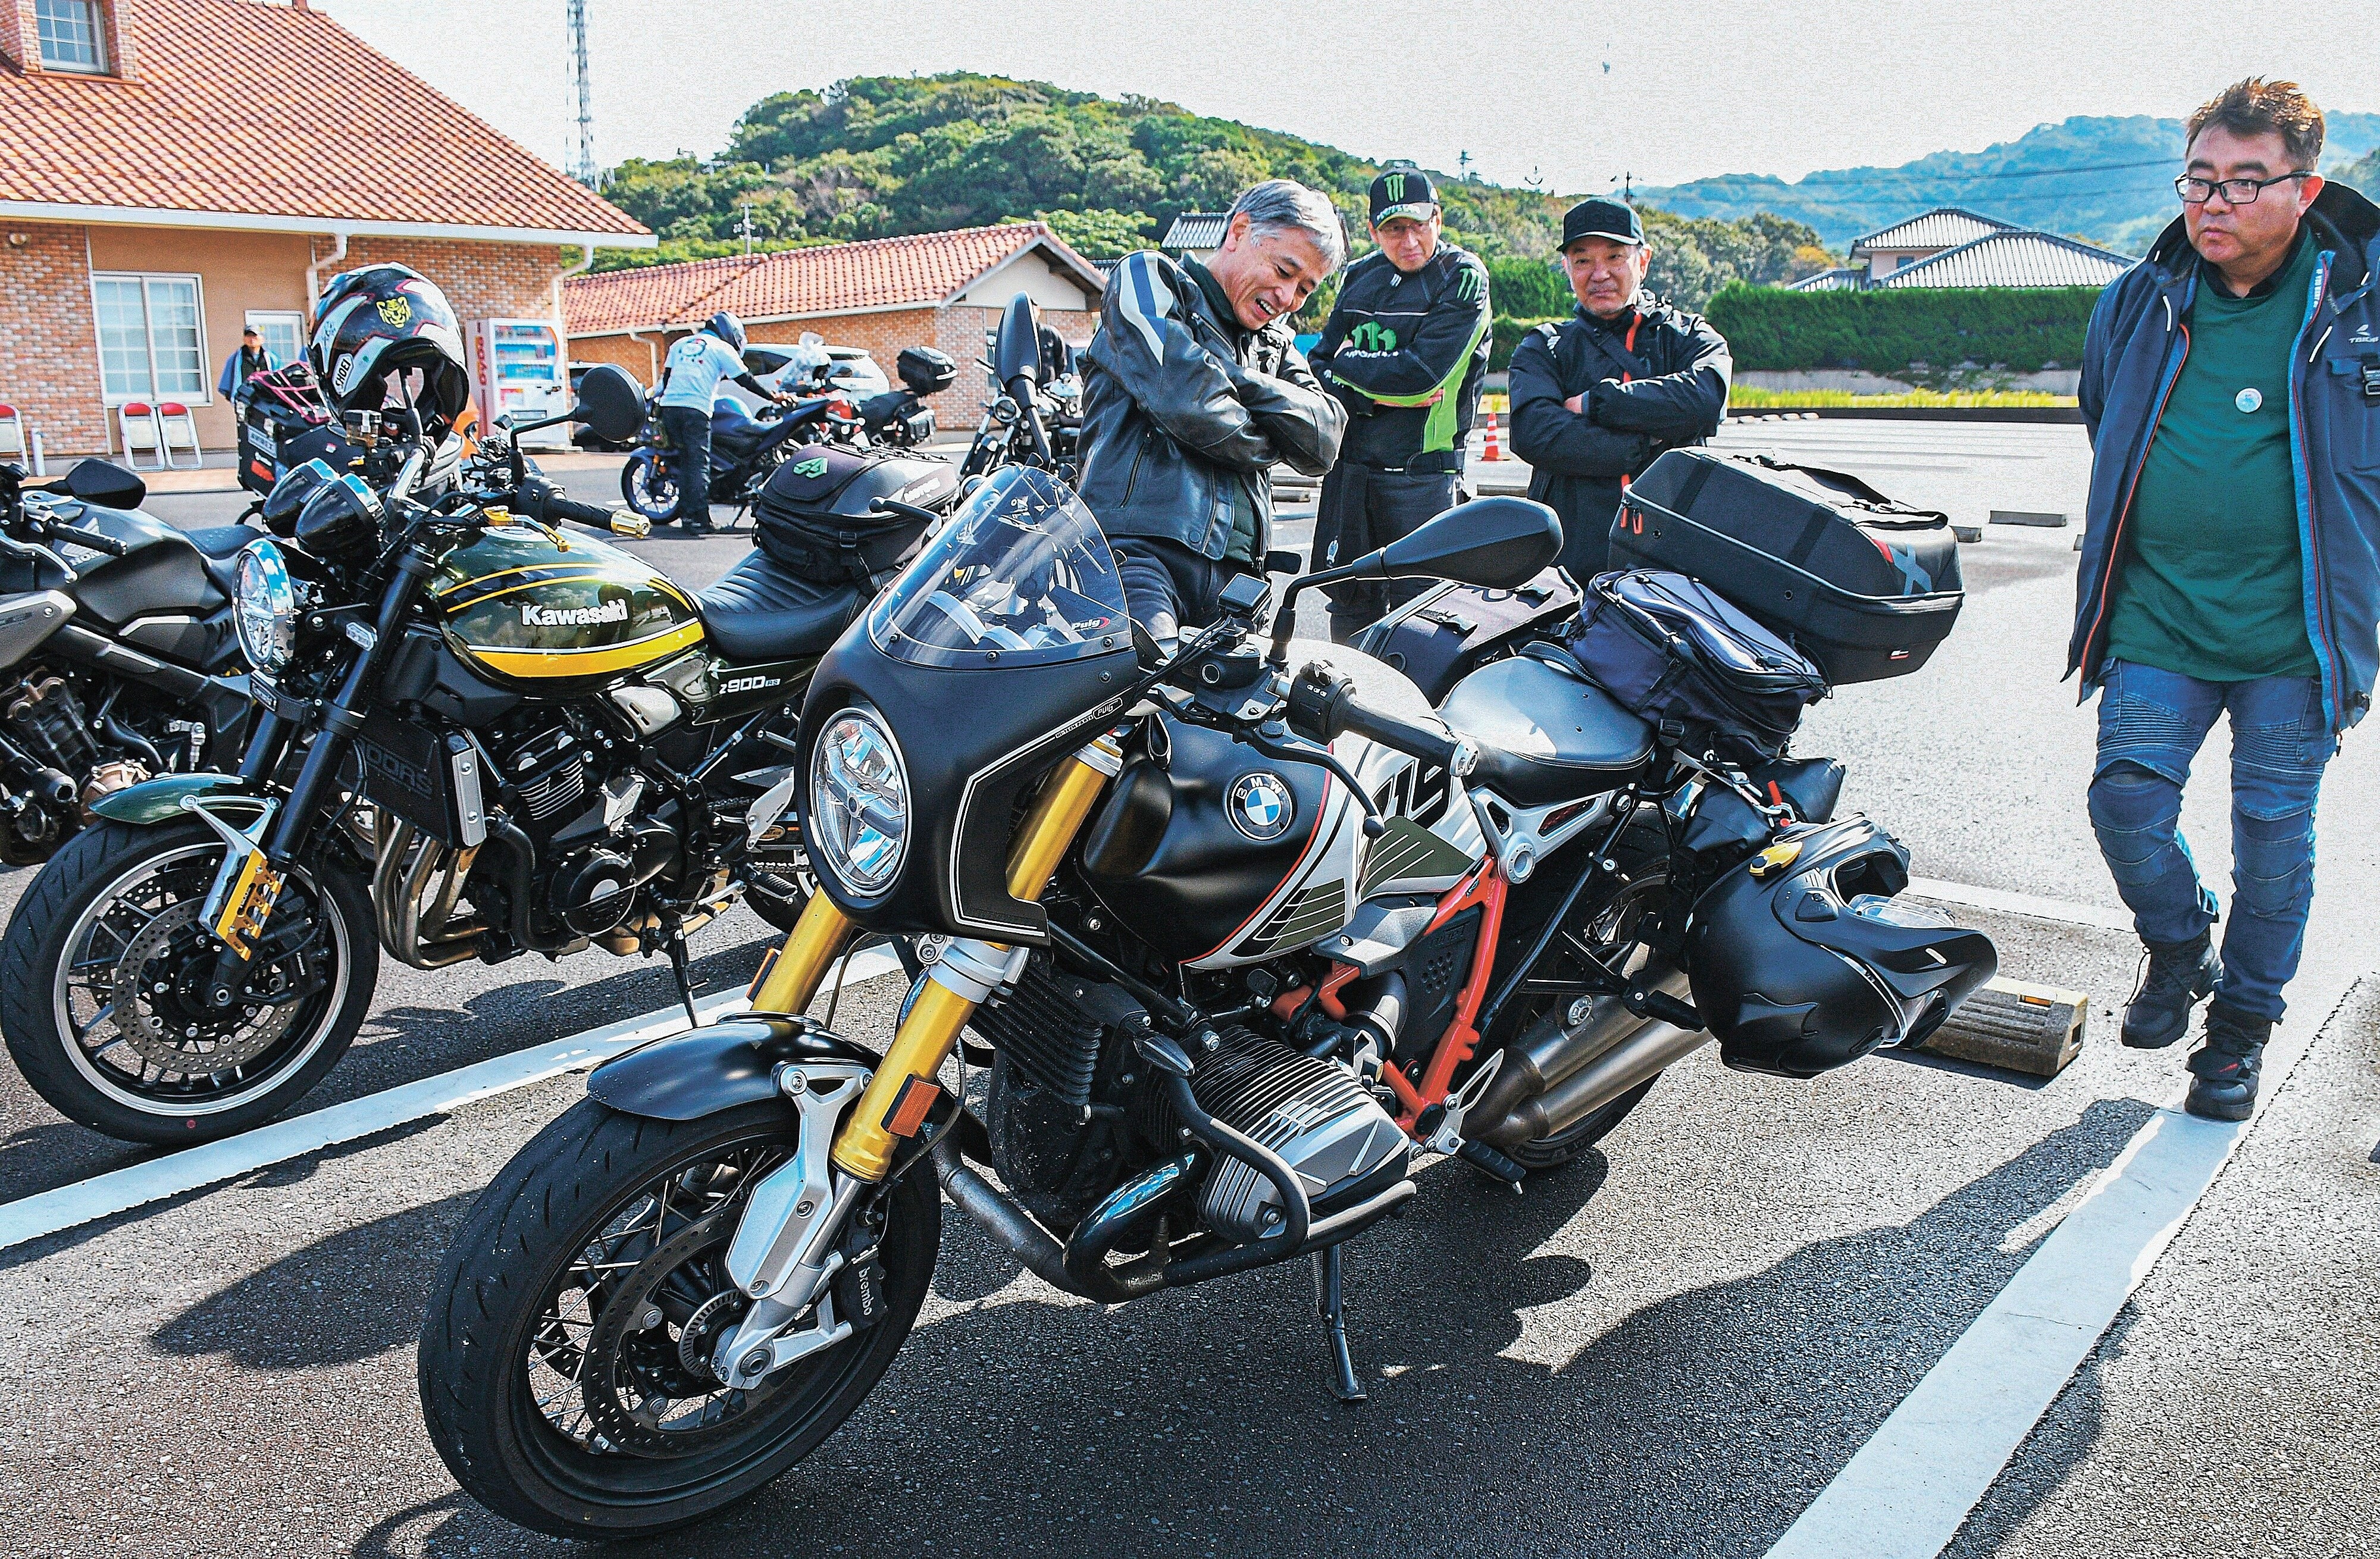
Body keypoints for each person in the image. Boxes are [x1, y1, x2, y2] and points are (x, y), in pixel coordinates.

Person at [2071, 77, 2379, 1121]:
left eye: (2246, 182)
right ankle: (2177, 944)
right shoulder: (2138, 303)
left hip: (2298, 637)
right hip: (2159, 614)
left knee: (2274, 839)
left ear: (2306, 188)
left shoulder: (2362, 310)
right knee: (2125, 802)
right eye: (2200, 179)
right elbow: (2105, 419)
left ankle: (2239, 1031)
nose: (2215, 203)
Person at [1076, 179, 1347, 640]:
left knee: (1259, 710)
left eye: (1305, 290)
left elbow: (1324, 438)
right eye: (1284, 271)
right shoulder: (1150, 279)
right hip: (1136, 557)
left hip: (1242, 585)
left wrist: (1233, 377)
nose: (1288, 299)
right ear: (1239, 231)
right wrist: (1271, 439)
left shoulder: (1276, 345)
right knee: (1133, 690)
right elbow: (1188, 403)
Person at [1307, 164, 1493, 640]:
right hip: (1351, 469)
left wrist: (1350, 370)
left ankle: (1414, 714)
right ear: (1374, 230)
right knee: (1348, 600)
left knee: (1422, 613)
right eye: (1393, 228)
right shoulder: (1358, 277)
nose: (1408, 240)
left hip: (1422, 474)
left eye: (1418, 225)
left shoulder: (1463, 277)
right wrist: (1369, 389)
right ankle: (1342, 708)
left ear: (1439, 218)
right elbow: (1318, 366)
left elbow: (1420, 377)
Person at [1506, 198, 1730, 581]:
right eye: (1582, 261)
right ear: (1567, 267)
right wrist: (1644, 446)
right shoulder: (1545, 345)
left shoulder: (1690, 335)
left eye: (1614, 257)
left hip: (1675, 556)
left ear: (1643, 261)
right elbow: (1533, 432)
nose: (1599, 274)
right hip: (1570, 562)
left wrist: (1596, 403)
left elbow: (1706, 398)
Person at [656, 312, 778, 534]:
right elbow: (745, 380)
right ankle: (699, 520)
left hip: (670, 409)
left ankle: (687, 516)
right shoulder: (721, 348)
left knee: (686, 463)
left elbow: (666, 379)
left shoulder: (679, 344)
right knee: (698, 463)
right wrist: (773, 397)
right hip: (696, 410)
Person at [217, 326, 273, 397]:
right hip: (245, 400)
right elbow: (225, 387)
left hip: (267, 400)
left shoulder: (271, 359)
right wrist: (237, 398)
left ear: (262, 339)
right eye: (249, 336)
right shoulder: (235, 359)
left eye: (254, 336)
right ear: (244, 339)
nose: (252, 339)